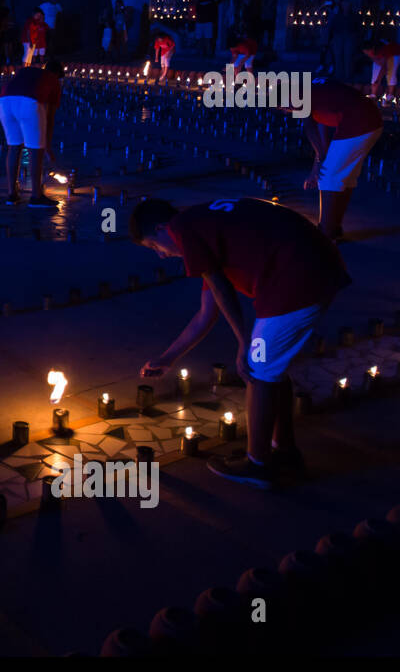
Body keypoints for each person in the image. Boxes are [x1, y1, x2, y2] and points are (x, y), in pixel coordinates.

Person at [130, 197, 351, 489]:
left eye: (154, 246)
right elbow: (207, 312)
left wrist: (243, 341)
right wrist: (167, 357)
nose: (160, 255)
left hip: (296, 279)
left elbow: (222, 290)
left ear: (161, 227)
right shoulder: (204, 226)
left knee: (257, 370)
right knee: (271, 370)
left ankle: (257, 465)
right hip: (315, 266)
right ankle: (283, 451)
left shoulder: (183, 228)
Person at [298, 79, 382, 240]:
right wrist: (316, 167)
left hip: (358, 122)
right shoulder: (313, 93)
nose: (285, 110)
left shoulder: (298, 95)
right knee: (345, 177)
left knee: (328, 177)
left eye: (281, 107)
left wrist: (319, 169)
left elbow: (309, 128)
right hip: (371, 121)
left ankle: (325, 233)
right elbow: (321, 140)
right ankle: (334, 227)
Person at [0, 60, 65, 208]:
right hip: (28, 102)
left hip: (3, 101)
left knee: (14, 147)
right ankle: (36, 196)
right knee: (35, 150)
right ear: (58, 75)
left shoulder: (27, 70)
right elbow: (49, 117)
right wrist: (47, 146)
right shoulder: (54, 81)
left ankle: (11, 194)